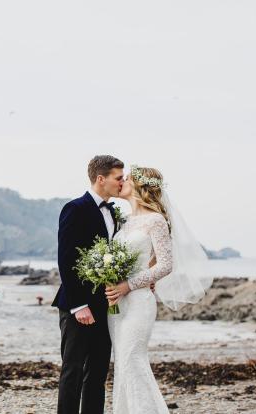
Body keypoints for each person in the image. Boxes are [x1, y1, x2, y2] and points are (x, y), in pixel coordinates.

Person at [105, 165, 213, 413]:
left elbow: (166, 265)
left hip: (138, 302)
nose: (121, 182)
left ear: (140, 186)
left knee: (133, 359)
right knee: (122, 362)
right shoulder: (125, 221)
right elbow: (141, 260)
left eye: (127, 179)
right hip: (118, 304)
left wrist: (128, 285)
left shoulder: (155, 221)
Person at [51, 155, 125, 414]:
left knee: (98, 373)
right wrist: (78, 304)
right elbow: (66, 258)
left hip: (105, 305)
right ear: (100, 178)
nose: (122, 182)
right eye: (118, 177)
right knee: (72, 371)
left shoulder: (114, 213)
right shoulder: (75, 208)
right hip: (77, 306)